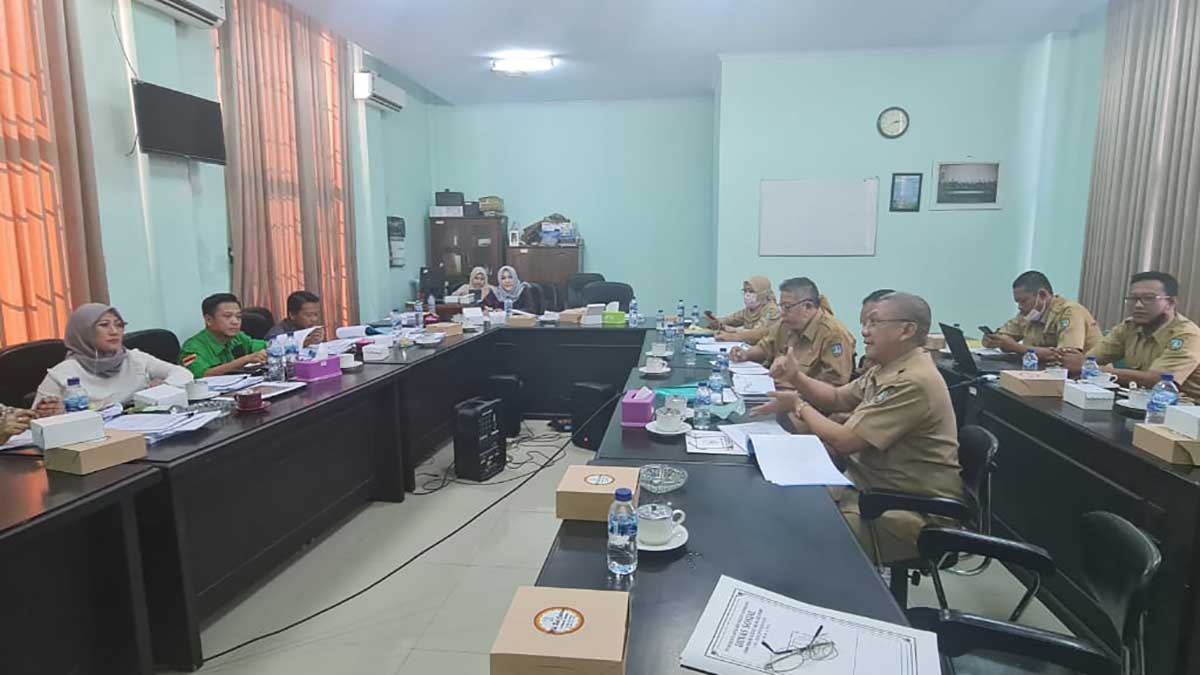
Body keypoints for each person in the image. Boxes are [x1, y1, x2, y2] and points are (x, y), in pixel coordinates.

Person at [750, 292, 961, 563]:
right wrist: (796, 377)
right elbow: (837, 397)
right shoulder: (887, 368)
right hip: (866, 487)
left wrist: (798, 406)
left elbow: (846, 441)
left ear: (907, 329)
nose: (864, 331)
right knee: (779, 502)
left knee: (795, 533)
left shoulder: (913, 381)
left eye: (874, 323)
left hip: (906, 509)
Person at [33, 303, 193, 416]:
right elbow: (36, 420)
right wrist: (60, 413)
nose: (114, 331)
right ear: (83, 331)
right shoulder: (62, 373)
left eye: (119, 325)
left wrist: (163, 388)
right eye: (104, 325)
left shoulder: (134, 358)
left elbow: (183, 374)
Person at [1062, 271, 1200, 399]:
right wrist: (1080, 364)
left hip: (1185, 410)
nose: (1138, 305)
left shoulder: (1187, 335)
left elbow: (1159, 381)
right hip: (1139, 400)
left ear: (1170, 303)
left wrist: (1093, 369)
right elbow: (1092, 359)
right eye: (1133, 299)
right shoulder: (1129, 327)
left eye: (1149, 298)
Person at [730, 277, 855, 387]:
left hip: (810, 405)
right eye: (781, 306)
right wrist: (746, 354)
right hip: (778, 393)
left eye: (787, 307)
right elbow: (766, 346)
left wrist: (795, 383)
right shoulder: (786, 324)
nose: (782, 313)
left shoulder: (834, 335)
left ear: (808, 307)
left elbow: (835, 386)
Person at [982, 271, 1101, 364]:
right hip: (1044, 374)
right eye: (1017, 302)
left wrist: (1015, 347)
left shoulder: (1070, 312)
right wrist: (994, 340)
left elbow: (1066, 357)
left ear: (1043, 295)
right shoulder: (1030, 313)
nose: (1020, 307)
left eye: (1023, 301)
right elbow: (1004, 335)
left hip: (1088, 381)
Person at [180, 293, 268, 378]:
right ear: (209, 320)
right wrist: (245, 360)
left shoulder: (238, 337)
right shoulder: (191, 348)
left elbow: (264, 346)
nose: (235, 322)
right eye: (227, 316)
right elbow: (202, 375)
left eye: (238, 316)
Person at [703, 276, 782, 343]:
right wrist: (716, 322)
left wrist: (733, 331)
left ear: (762, 293)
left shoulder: (772, 310)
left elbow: (756, 333)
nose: (747, 295)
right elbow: (729, 319)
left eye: (751, 291)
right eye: (745, 291)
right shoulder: (748, 310)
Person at [854, 288, 895, 378]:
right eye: (864, 324)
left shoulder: (911, 376)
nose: (864, 332)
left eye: (874, 323)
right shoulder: (867, 361)